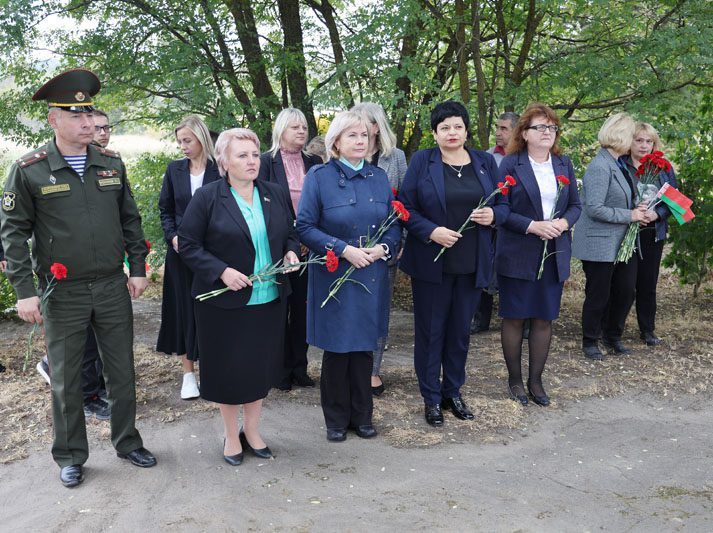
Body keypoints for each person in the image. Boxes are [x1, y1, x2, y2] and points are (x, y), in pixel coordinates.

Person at [0, 69, 156, 488]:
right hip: (61, 291)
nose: (88, 123)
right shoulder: (29, 170)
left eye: (89, 114)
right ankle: (70, 455)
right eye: (76, 115)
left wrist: (138, 268)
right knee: (67, 378)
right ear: (54, 120)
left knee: (121, 370)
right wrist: (25, 293)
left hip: (110, 285)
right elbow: (12, 233)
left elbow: (130, 220)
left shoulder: (111, 163)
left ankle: (128, 442)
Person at [179, 128, 300, 464]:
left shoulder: (273, 193)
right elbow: (188, 245)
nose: (251, 162)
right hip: (224, 303)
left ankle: (254, 430)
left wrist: (290, 253)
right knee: (229, 369)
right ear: (224, 161)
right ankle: (231, 435)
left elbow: (290, 232)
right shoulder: (207, 197)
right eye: (242, 156)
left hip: (269, 298)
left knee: (260, 367)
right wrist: (221, 270)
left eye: (254, 155)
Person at [398, 101, 506, 427]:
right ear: (435, 133)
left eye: (457, 126)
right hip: (432, 264)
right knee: (431, 333)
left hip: (472, 263)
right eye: (444, 127)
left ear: (466, 130)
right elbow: (405, 207)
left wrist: (494, 215)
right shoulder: (423, 161)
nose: (452, 132)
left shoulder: (485, 162)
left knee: (460, 332)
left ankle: (452, 392)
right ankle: (430, 397)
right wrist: (431, 231)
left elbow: (503, 204)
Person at [296, 111, 401, 442]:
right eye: (352, 135)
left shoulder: (379, 177)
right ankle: (336, 419)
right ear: (336, 141)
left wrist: (384, 247)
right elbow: (305, 227)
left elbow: (394, 223)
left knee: (364, 347)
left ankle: (363, 415)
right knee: (339, 349)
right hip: (335, 272)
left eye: (365, 136)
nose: (361, 141)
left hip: (371, 271)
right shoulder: (319, 176)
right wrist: (343, 249)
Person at [495, 103, 581, 406]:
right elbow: (500, 210)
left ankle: (536, 381)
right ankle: (515, 381)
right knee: (515, 318)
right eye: (540, 127)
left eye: (552, 127)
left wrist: (562, 222)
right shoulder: (510, 164)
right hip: (518, 251)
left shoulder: (563, 163)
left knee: (544, 319)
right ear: (525, 133)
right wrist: (532, 226)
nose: (548, 132)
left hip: (554, 252)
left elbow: (575, 206)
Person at [572, 113, 650, 360]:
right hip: (599, 243)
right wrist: (631, 215)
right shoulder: (599, 166)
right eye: (632, 136)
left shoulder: (617, 164)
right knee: (599, 293)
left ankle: (612, 335)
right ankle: (590, 340)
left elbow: (622, 199)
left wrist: (641, 207)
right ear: (621, 136)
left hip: (621, 242)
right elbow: (594, 208)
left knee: (626, 290)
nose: (635, 142)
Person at [258, 108, 323, 390]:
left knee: (302, 311)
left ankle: (300, 367)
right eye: (294, 127)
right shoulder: (264, 162)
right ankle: (279, 371)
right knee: (277, 308)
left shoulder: (315, 161)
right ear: (280, 130)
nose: (301, 131)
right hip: (278, 246)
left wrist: (311, 237)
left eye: (304, 127)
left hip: (311, 244)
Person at [156, 115, 220, 399]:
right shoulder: (174, 170)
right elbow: (165, 210)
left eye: (187, 140)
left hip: (213, 254)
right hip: (181, 254)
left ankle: (213, 370)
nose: (182, 146)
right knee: (184, 311)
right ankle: (188, 374)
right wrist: (172, 237)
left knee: (211, 310)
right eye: (179, 141)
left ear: (201, 138)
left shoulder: (220, 170)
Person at [351, 102, 408, 396]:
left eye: (364, 123)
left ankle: (373, 370)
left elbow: (406, 204)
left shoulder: (394, 157)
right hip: (349, 247)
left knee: (378, 310)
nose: (358, 131)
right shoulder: (343, 156)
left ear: (376, 127)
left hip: (384, 247)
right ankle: (350, 366)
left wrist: (400, 242)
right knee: (350, 309)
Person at [622, 122, 677, 346]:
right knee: (624, 285)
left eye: (649, 141)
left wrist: (657, 215)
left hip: (652, 232)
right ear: (629, 141)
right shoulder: (620, 165)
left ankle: (647, 330)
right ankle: (613, 328)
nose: (644, 146)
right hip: (625, 232)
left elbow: (674, 201)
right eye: (639, 140)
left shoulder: (664, 168)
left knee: (647, 283)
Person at [473, 111, 521, 335]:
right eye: (497, 128)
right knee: (485, 270)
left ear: (516, 130)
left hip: (517, 225)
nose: (498, 133)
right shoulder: (486, 157)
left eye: (504, 129)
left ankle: (523, 321)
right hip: (491, 223)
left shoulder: (524, 158)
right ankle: (480, 319)